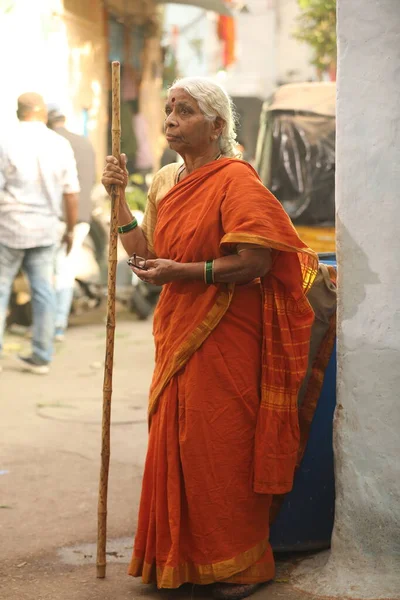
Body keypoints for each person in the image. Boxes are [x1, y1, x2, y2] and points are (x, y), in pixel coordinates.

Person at [102, 77, 318, 599]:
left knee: (216, 444)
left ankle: (241, 566)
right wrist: (118, 200)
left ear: (218, 126)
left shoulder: (237, 182)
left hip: (225, 332)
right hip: (178, 326)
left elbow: (255, 261)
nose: (171, 119)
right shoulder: (165, 183)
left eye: (186, 111)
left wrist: (186, 273)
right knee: (175, 440)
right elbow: (144, 252)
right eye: (170, 110)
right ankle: (181, 560)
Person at [0, 93, 79, 374]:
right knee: (44, 291)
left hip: (9, 228)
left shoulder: (6, 140)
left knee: (1, 288)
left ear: (18, 113)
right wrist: (69, 230)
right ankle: (42, 356)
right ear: (43, 114)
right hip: (46, 229)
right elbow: (71, 192)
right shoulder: (59, 144)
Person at [47, 107, 96, 341]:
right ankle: (58, 323)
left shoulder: (51, 143)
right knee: (65, 270)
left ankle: (48, 324)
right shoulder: (85, 144)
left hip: (56, 217)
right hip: (82, 217)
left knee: (47, 272)